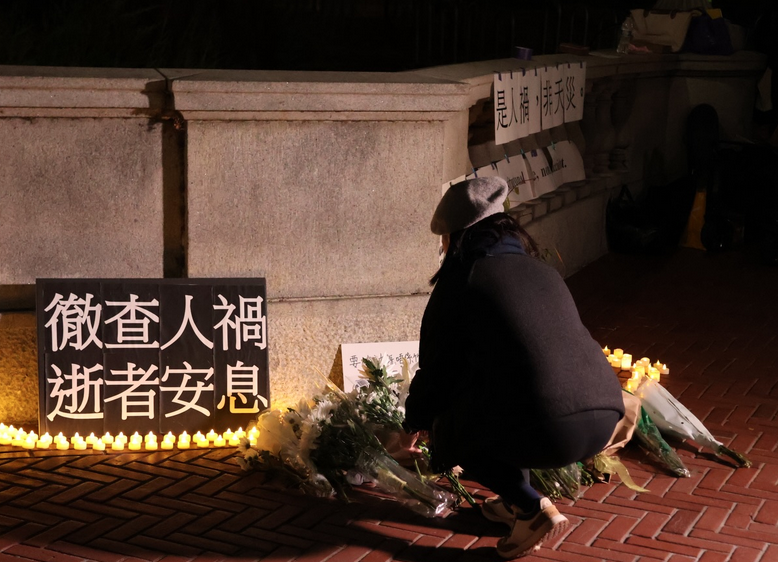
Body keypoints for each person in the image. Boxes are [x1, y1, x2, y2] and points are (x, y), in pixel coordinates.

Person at [404, 176, 625, 559]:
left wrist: (413, 424)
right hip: (606, 416)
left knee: (451, 424)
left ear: (456, 237)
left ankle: (530, 507)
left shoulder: (463, 280)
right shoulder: (541, 271)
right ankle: (512, 504)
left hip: (552, 426)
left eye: (443, 240)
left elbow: (438, 370)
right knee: (502, 389)